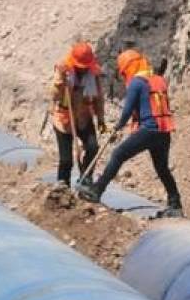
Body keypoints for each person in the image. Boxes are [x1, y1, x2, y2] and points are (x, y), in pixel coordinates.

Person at [77, 49, 183, 218]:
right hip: (163, 131)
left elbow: (127, 110)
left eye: (124, 71)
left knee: (118, 154)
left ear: (129, 68)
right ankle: (175, 203)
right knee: (162, 168)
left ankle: (97, 190)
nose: (124, 75)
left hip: (149, 129)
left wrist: (118, 126)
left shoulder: (137, 82)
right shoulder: (158, 80)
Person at [51, 42, 108, 187]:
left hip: (84, 118)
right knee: (66, 160)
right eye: (80, 67)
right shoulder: (64, 69)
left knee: (93, 147)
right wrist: (61, 82)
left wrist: (101, 119)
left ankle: (86, 178)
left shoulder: (93, 74)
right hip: (64, 119)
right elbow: (54, 96)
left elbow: (98, 98)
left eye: (85, 67)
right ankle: (62, 187)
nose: (82, 70)